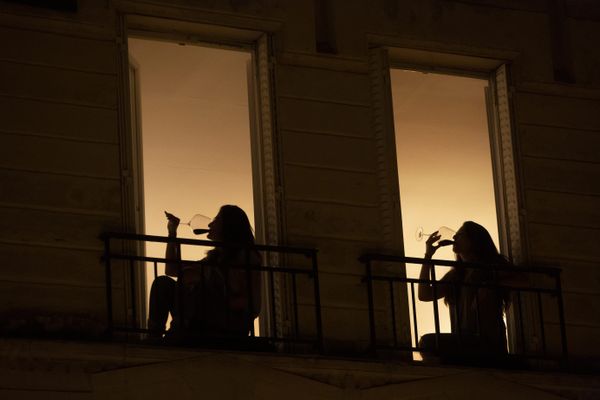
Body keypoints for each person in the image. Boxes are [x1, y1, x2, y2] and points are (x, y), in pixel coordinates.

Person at [148, 205, 261, 340]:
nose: (210, 223)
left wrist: (206, 282)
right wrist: (172, 233)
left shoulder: (246, 256)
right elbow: (171, 269)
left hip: (228, 322)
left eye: (216, 219)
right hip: (203, 314)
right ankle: (154, 336)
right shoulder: (213, 258)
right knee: (163, 284)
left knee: (198, 286)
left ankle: (179, 330)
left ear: (229, 225)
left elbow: (249, 302)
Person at [418, 221, 518, 362]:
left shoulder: (492, 266)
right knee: (426, 344)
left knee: (428, 343)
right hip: (464, 342)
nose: (454, 238)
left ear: (474, 240)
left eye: (460, 235)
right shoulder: (456, 275)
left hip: (488, 344)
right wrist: (428, 256)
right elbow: (424, 295)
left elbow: (524, 280)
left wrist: (491, 284)